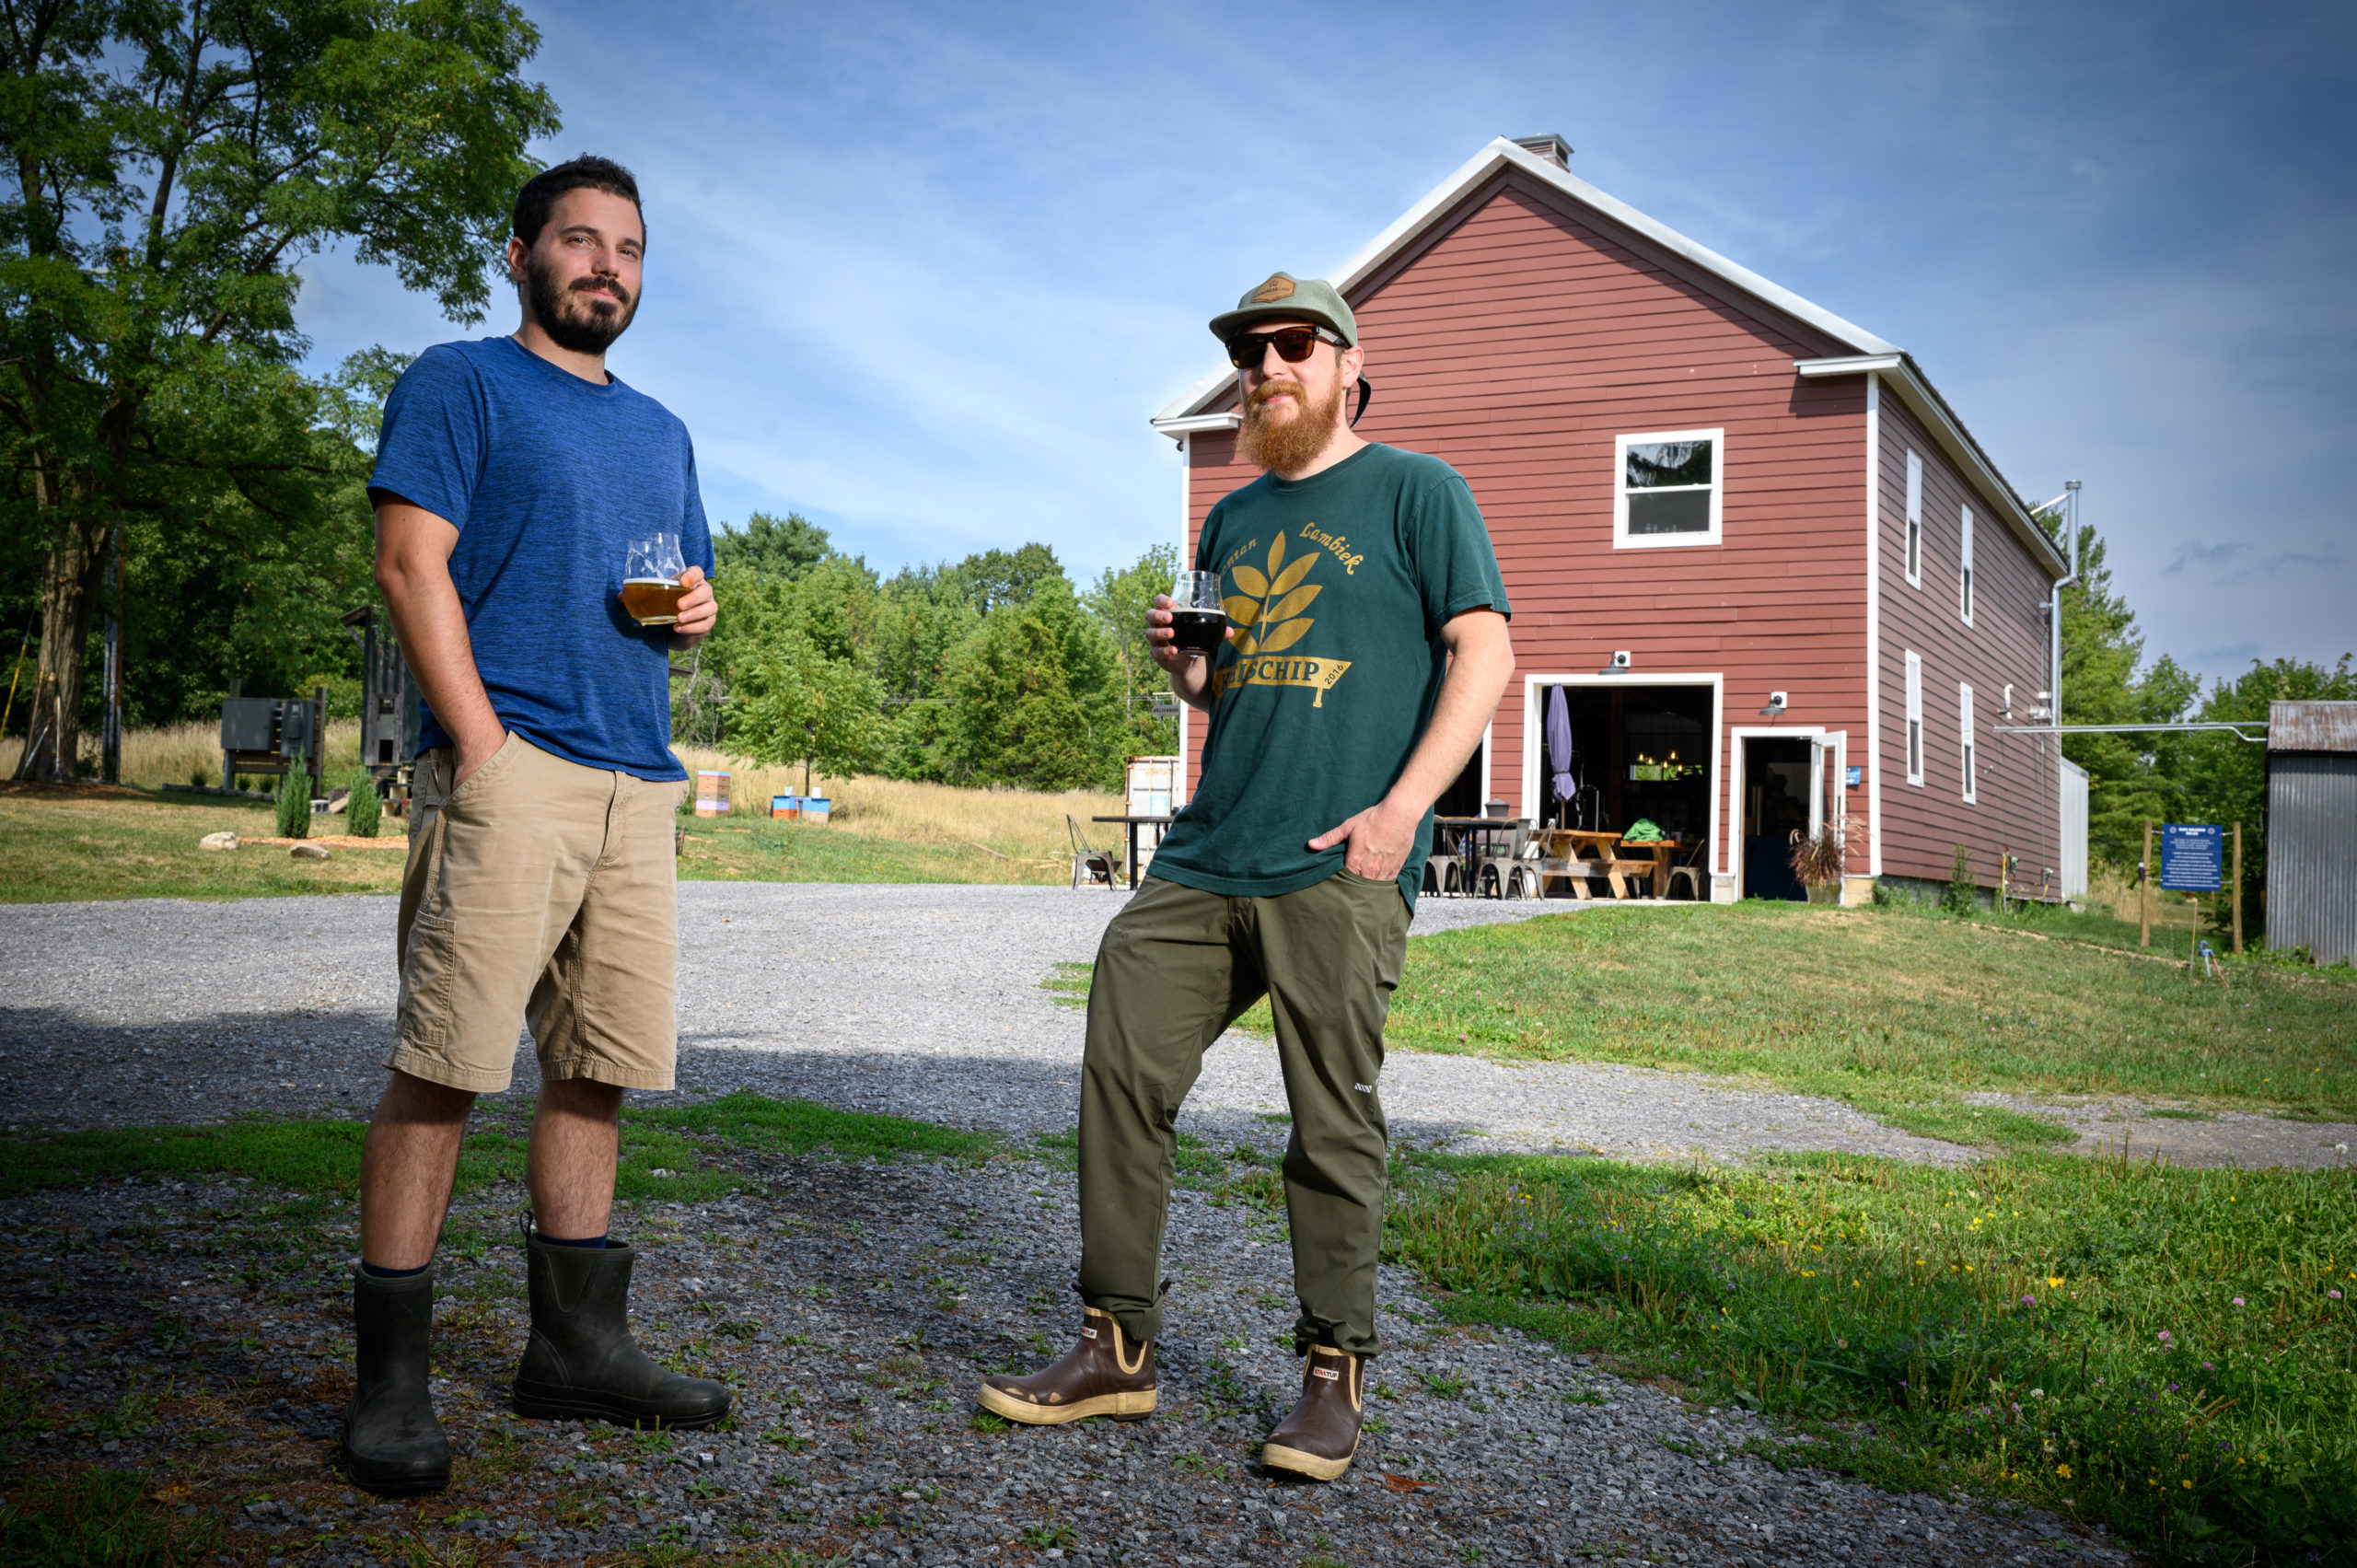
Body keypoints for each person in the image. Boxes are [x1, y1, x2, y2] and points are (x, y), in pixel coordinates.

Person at [977, 273, 1515, 1481]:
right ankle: (1116, 1347)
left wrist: (1400, 813)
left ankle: (1333, 1371)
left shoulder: (1419, 491)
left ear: (1345, 365)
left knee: (1330, 1119)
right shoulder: (1229, 519)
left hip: (1336, 859)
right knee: (1122, 1062)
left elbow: (1485, 650)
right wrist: (1185, 673)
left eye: (1291, 348)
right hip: (1209, 850)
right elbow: (1222, 692)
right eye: (1248, 352)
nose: (1265, 368)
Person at [343, 156, 730, 1495]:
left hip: (638, 776)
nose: (606, 266)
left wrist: (697, 610)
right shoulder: (459, 384)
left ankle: (574, 1349)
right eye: (579, 240)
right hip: (513, 770)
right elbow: (411, 563)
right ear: (520, 256)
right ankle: (390, 1383)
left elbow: (685, 587)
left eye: (627, 247)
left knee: (596, 1065)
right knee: (446, 1065)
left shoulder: (665, 431)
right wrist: (487, 751)